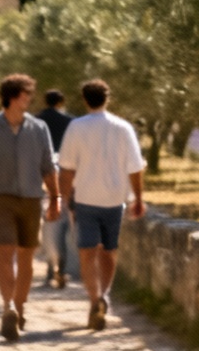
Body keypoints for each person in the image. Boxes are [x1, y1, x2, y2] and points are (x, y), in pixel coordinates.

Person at [0, 74, 61, 342]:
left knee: (26, 256)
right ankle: (7, 305)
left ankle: (19, 308)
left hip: (32, 198)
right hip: (0, 198)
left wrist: (55, 198)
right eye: (25, 94)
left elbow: (48, 167)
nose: (29, 99)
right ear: (11, 97)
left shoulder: (38, 128)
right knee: (5, 250)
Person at [57, 79, 146, 331]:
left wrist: (63, 197)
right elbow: (135, 168)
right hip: (115, 200)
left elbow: (66, 168)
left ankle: (94, 299)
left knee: (87, 252)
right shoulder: (123, 128)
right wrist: (138, 199)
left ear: (85, 100)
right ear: (108, 98)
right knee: (109, 250)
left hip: (85, 199)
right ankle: (104, 295)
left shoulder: (76, 127)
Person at [36, 88, 77, 289]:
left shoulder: (35, 121)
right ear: (61, 102)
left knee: (47, 226)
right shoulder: (71, 122)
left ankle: (50, 268)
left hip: (40, 176)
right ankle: (61, 266)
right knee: (62, 225)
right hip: (66, 175)